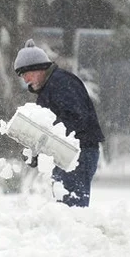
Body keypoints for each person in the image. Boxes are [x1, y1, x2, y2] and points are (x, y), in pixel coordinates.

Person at [14, 39, 105, 207]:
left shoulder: (61, 83)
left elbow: (74, 119)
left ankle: (78, 231)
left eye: (26, 72)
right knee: (64, 207)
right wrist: (37, 151)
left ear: (40, 68)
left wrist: (41, 142)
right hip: (66, 154)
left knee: (72, 209)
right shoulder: (49, 88)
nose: (25, 79)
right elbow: (55, 127)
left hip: (78, 154)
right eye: (21, 74)